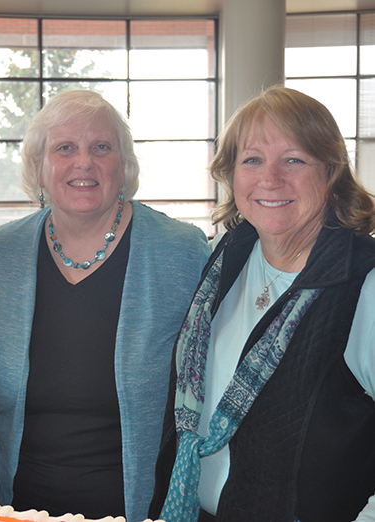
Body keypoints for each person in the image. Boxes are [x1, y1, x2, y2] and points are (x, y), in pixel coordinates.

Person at [0, 89, 210, 522]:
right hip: (18, 504)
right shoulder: (2, 252)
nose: (83, 162)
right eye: (64, 148)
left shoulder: (180, 251)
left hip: (141, 506)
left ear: (123, 167)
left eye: (101, 147)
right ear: (39, 168)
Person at [148, 85, 375, 522]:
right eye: (252, 160)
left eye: (294, 159)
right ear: (231, 175)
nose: (271, 178)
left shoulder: (362, 281)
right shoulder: (228, 255)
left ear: (330, 171)